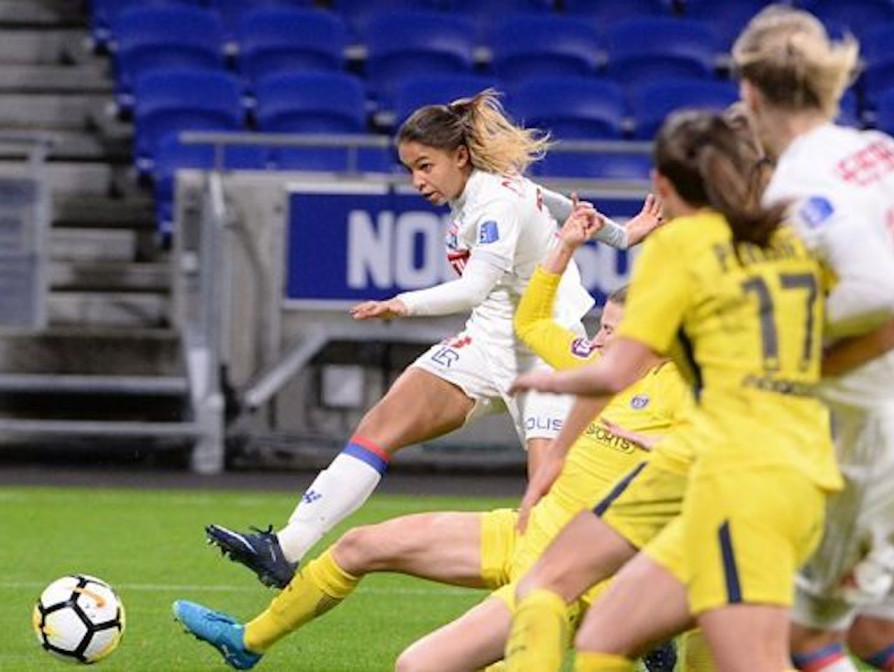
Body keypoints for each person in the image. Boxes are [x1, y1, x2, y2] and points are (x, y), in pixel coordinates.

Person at [171, 201, 687, 672]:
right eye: (600, 326)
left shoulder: (681, 391)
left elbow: (719, 461)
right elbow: (530, 321)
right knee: (360, 545)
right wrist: (566, 245)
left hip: (575, 571)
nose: (597, 339)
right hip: (524, 533)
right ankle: (248, 641)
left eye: (612, 332)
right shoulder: (592, 365)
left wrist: (665, 450)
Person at [203, 90, 660, 590]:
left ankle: (622, 594)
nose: (418, 181)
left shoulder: (496, 205)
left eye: (425, 166)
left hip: (542, 355)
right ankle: (285, 547)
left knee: (549, 502)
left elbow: (473, 288)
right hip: (485, 344)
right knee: (382, 425)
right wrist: (624, 236)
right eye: (410, 170)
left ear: (459, 157)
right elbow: (563, 208)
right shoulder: (495, 189)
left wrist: (403, 304)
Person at [506, 108, 842, 672]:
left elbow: (614, 373)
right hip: (782, 463)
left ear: (662, 183)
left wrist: (547, 386)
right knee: (597, 624)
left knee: (746, 651)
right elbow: (866, 332)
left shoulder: (682, 248)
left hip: (739, 472)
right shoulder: (794, 242)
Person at [732, 7, 894, 672]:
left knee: (808, 639)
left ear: (749, 93)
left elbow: (881, 295)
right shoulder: (876, 151)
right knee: (878, 630)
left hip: (890, 438)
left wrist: (796, 357)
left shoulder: (797, 187)